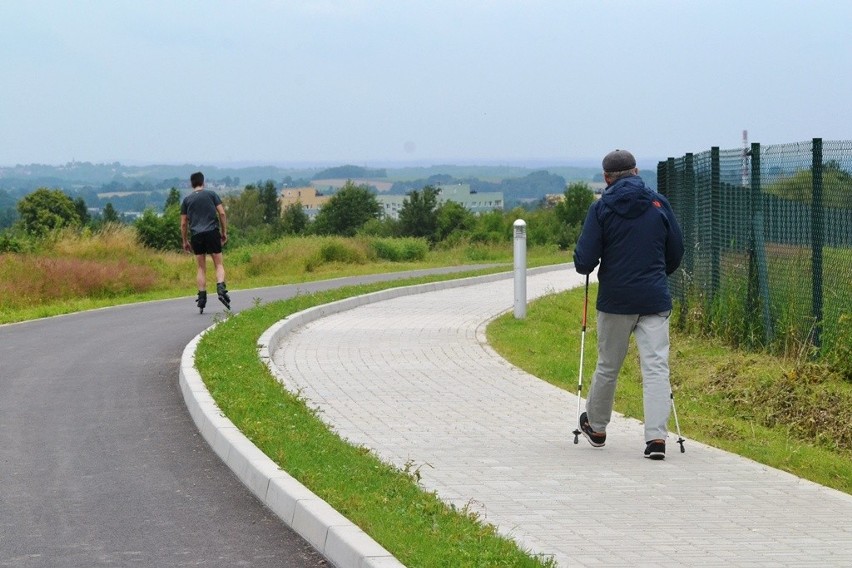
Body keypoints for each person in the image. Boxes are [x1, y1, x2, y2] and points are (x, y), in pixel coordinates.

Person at [573, 149, 684, 460]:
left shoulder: (601, 209)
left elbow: (585, 262)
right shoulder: (659, 203)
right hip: (654, 300)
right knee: (656, 368)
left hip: (615, 301)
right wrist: (657, 275)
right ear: (636, 172)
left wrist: (582, 261)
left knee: (608, 366)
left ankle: (596, 427)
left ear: (607, 178)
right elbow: (676, 250)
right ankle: (656, 439)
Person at [180, 171, 231, 311]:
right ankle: (220, 287)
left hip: (196, 235)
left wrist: (185, 241)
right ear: (203, 182)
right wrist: (224, 232)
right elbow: (222, 213)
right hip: (212, 233)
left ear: (191, 184)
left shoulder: (186, 200)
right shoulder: (211, 194)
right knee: (218, 264)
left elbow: (184, 223)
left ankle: (202, 297)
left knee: (201, 267)